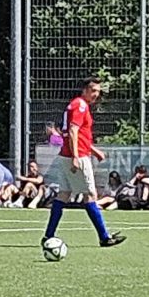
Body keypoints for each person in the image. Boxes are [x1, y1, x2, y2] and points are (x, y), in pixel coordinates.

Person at [42, 78, 126, 250]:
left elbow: (77, 135)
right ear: (85, 90)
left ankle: (48, 235)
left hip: (66, 155)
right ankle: (104, 237)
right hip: (77, 156)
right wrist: (76, 156)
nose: (96, 94)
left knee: (64, 194)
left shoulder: (75, 104)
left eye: (98, 91)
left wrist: (94, 151)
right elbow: (73, 131)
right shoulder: (80, 106)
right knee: (90, 195)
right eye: (93, 90)